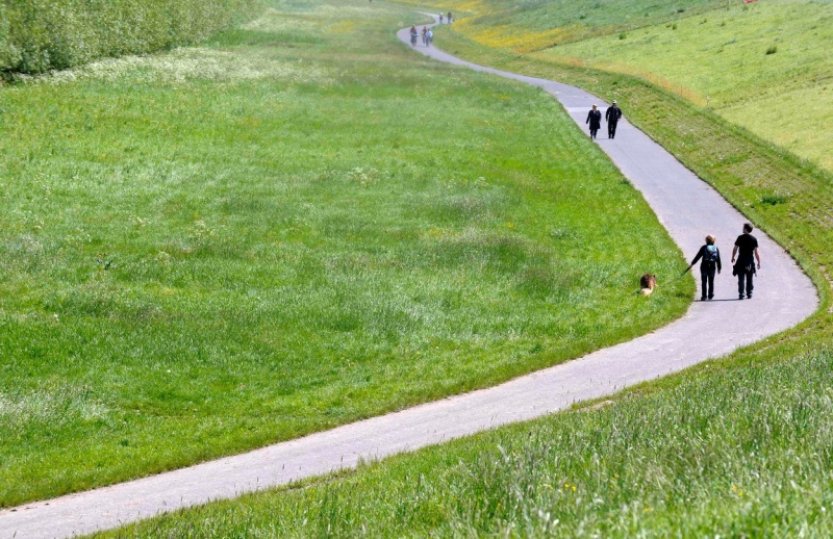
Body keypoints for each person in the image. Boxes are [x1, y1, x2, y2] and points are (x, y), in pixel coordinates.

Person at [731, 222, 761, 300]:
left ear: (745, 229)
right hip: (750, 260)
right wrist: (758, 262)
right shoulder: (754, 239)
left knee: (741, 278)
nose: (742, 228)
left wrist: (733, 257)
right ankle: (749, 293)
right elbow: (756, 252)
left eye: (743, 227)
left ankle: (741, 294)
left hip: (741, 260)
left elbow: (735, 248)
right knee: (749, 277)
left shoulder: (740, 238)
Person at [687, 235, 722, 301]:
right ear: (713, 241)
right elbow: (718, 259)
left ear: (706, 240)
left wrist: (692, 263)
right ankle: (710, 294)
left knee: (704, 281)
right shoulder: (716, 248)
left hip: (704, 266)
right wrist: (719, 268)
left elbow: (698, 256)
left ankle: (704, 296)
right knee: (711, 281)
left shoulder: (703, 248)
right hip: (712, 267)